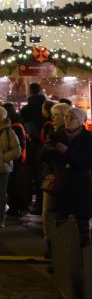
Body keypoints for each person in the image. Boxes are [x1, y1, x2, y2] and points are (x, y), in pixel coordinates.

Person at [47, 106, 92, 248]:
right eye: (66, 117)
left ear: (80, 121)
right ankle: (61, 261)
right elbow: (44, 156)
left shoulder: (87, 139)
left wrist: (68, 153)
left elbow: (86, 162)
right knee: (61, 225)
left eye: (71, 118)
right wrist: (49, 150)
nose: (67, 120)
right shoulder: (58, 135)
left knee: (81, 226)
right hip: (61, 185)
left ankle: (83, 261)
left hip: (80, 187)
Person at [39, 101, 69, 257]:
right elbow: (45, 153)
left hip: (58, 179)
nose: (53, 118)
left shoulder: (62, 134)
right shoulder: (53, 131)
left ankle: (54, 246)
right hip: (53, 177)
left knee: (52, 213)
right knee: (51, 213)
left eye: (56, 115)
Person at [20, 82, 46, 213]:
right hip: (46, 145)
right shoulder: (47, 106)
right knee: (44, 175)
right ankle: (43, 203)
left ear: (29, 92)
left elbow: (27, 128)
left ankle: (32, 204)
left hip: (32, 146)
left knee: (33, 176)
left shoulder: (26, 109)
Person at [3, 102, 28, 218]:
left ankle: (18, 207)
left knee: (12, 183)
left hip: (15, 159)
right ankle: (17, 206)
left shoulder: (15, 126)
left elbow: (20, 145)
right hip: (15, 158)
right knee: (12, 183)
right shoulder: (17, 124)